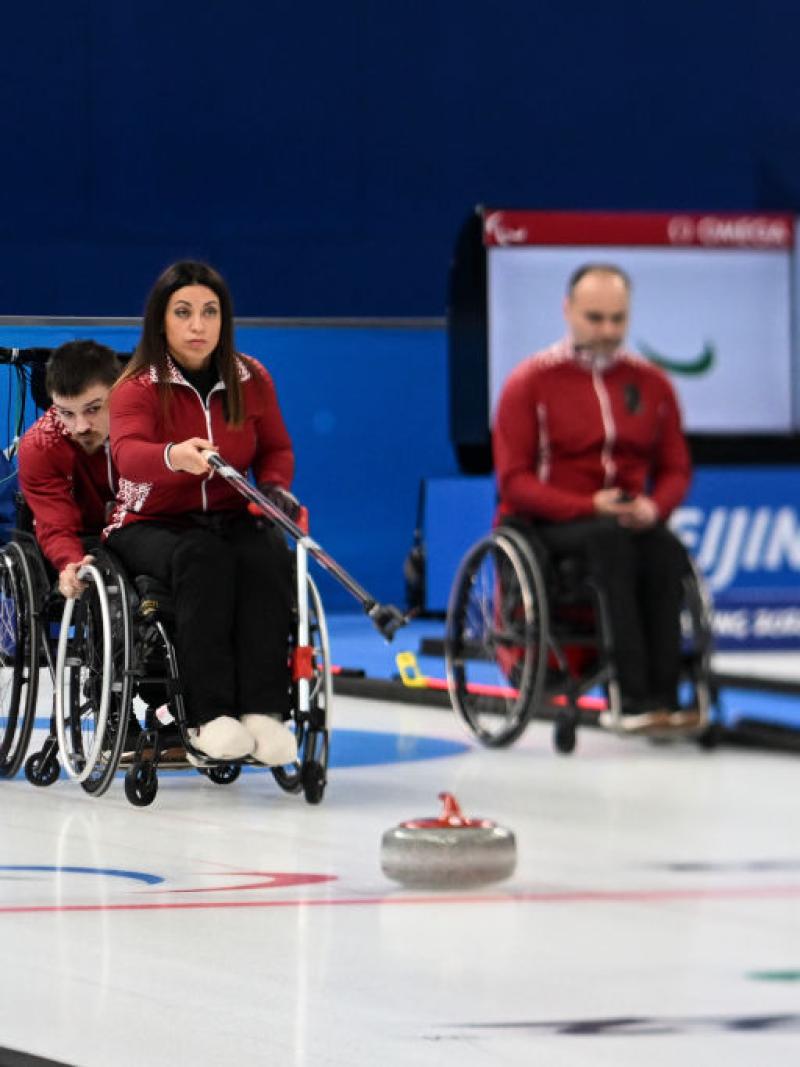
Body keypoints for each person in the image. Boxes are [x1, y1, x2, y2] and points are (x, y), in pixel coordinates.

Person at [104, 260, 299, 765]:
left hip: (230, 517)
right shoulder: (137, 386)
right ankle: (206, 717)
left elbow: (275, 448)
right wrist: (173, 456)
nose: (198, 326)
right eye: (184, 312)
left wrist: (275, 488)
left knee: (267, 554)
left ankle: (263, 712)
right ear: (161, 321)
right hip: (149, 523)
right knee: (204, 557)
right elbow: (127, 454)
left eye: (210, 312)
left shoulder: (251, 377)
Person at [493, 263, 696, 731]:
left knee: (666, 550)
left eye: (617, 319)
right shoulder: (530, 383)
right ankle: (633, 697)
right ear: (568, 311)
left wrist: (655, 506)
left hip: (626, 519)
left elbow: (675, 467)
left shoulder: (652, 383)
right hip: (548, 523)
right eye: (595, 318)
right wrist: (589, 506)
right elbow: (515, 481)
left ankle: (666, 698)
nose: (608, 330)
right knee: (610, 544)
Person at [17, 340, 121, 599]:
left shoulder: (145, 424)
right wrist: (69, 563)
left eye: (93, 409)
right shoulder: (40, 445)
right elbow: (54, 524)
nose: (80, 426)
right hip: (79, 536)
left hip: (136, 531)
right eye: (66, 413)